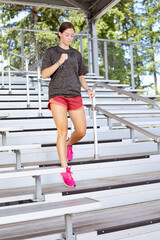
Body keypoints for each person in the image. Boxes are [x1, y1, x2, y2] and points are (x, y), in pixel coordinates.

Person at [41, 22, 94, 187]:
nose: (70, 38)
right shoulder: (51, 52)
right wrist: (59, 62)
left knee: (82, 131)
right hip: (57, 95)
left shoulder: (76, 54)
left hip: (75, 95)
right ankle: (65, 169)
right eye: (67, 34)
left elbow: (80, 76)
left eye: (72, 35)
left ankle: (69, 145)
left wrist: (88, 90)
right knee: (62, 130)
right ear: (59, 34)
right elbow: (43, 75)